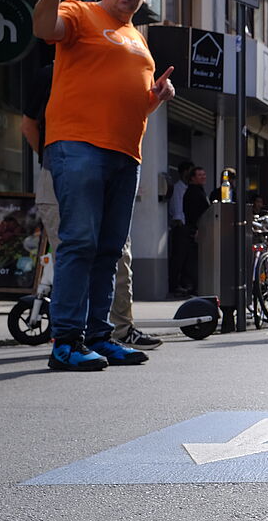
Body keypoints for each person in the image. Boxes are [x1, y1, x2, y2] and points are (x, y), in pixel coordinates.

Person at [31, 0, 176, 371]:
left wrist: (155, 98)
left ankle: (100, 336)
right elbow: (43, 28)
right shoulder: (80, 13)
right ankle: (67, 341)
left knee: (109, 249)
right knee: (80, 242)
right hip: (77, 146)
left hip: (124, 154)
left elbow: (133, 105)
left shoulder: (138, 38)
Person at [20, 63, 162, 351]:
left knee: (117, 253)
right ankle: (70, 339)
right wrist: (56, 164)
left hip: (107, 169)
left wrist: (155, 98)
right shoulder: (51, 73)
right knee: (74, 252)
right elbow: (29, 125)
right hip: (62, 170)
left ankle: (115, 331)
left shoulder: (111, 70)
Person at [181, 166, 210, 294]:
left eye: (204, 174)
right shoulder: (193, 192)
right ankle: (194, 286)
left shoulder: (199, 190)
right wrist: (198, 228)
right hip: (194, 230)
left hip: (198, 229)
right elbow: (194, 213)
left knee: (196, 259)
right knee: (194, 260)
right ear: (192, 178)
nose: (203, 177)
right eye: (200, 175)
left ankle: (196, 286)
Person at [167, 161, 191, 296]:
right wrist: (180, 222)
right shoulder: (178, 188)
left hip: (184, 225)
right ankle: (174, 285)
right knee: (178, 257)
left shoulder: (186, 188)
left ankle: (181, 283)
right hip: (180, 226)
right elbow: (177, 208)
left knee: (184, 258)